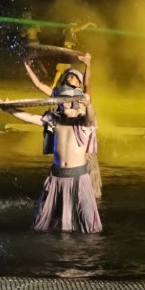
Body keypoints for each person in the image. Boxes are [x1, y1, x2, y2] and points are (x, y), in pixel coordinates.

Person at [0, 85, 102, 233]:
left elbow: (91, 118)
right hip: (56, 177)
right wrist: (9, 109)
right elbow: (31, 118)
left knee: (88, 223)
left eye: (67, 100)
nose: (64, 104)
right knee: (44, 220)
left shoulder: (82, 122)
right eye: (61, 100)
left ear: (75, 102)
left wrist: (89, 104)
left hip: (78, 178)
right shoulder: (54, 120)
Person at [25, 50, 101, 198]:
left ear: (79, 83)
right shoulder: (59, 94)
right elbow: (39, 84)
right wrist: (27, 66)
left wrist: (88, 65)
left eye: (73, 77)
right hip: (67, 142)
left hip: (82, 146)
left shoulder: (82, 96)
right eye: (68, 76)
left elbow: (87, 83)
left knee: (88, 187)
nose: (69, 77)